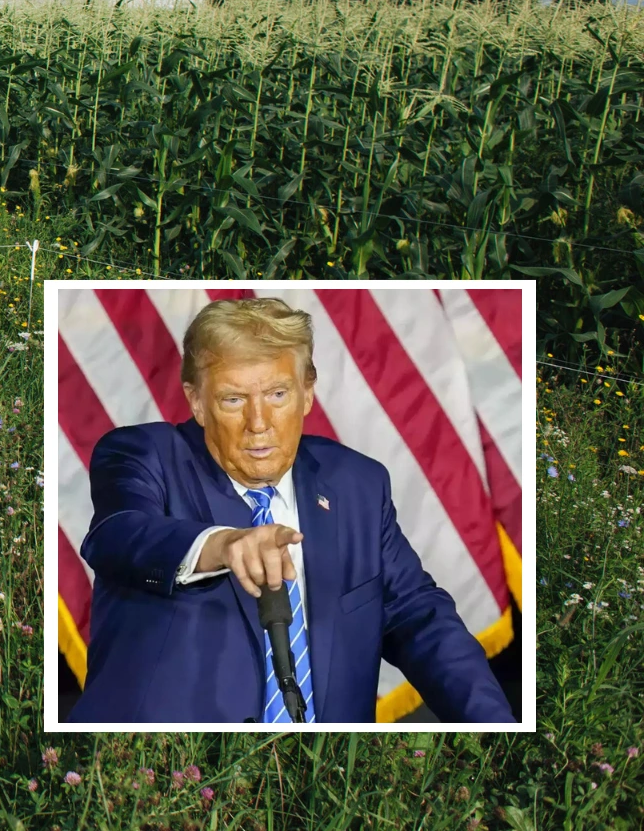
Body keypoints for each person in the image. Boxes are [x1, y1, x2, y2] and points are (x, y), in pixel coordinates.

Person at [70, 297, 514, 724]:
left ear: (306, 395)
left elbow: (422, 621)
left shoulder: (356, 484)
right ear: (197, 401)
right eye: (233, 400)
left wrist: (504, 733)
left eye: (278, 394)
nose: (259, 422)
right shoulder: (144, 454)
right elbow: (118, 535)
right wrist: (222, 544)